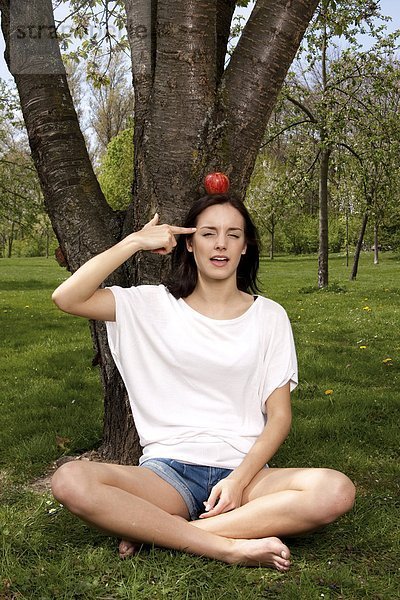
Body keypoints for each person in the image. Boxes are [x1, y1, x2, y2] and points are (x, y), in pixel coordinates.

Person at [51, 194, 355, 571]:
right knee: (70, 480)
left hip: (245, 474)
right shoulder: (151, 305)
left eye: (233, 234)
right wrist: (134, 242)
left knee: (335, 490)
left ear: (245, 247)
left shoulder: (270, 316)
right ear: (190, 244)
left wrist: (239, 481)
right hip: (167, 475)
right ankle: (225, 546)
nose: (221, 244)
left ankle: (161, 531)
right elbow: (66, 298)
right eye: (209, 233)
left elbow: (278, 417)